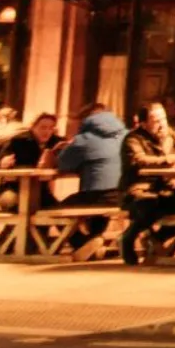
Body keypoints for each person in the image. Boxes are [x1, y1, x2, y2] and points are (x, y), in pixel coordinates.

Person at [119, 104, 175, 263]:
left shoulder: (169, 135)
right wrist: (167, 159)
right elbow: (139, 160)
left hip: (163, 188)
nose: (162, 123)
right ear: (143, 123)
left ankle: (156, 239)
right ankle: (127, 239)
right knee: (148, 206)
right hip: (138, 188)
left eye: (163, 118)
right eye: (156, 120)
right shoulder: (133, 139)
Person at [53, 104, 129, 250]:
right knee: (96, 206)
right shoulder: (127, 135)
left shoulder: (84, 139)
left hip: (99, 196)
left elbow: (63, 164)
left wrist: (65, 148)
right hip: (126, 195)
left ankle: (82, 243)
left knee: (58, 210)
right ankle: (94, 243)